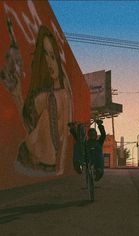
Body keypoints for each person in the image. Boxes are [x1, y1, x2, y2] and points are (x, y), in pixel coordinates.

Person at [16, 25, 71, 176]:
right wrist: (17, 95)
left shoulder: (63, 95)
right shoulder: (40, 92)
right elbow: (31, 126)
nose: (49, 62)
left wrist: (61, 167)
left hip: (45, 165)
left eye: (52, 56)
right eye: (44, 55)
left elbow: (65, 135)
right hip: (25, 154)